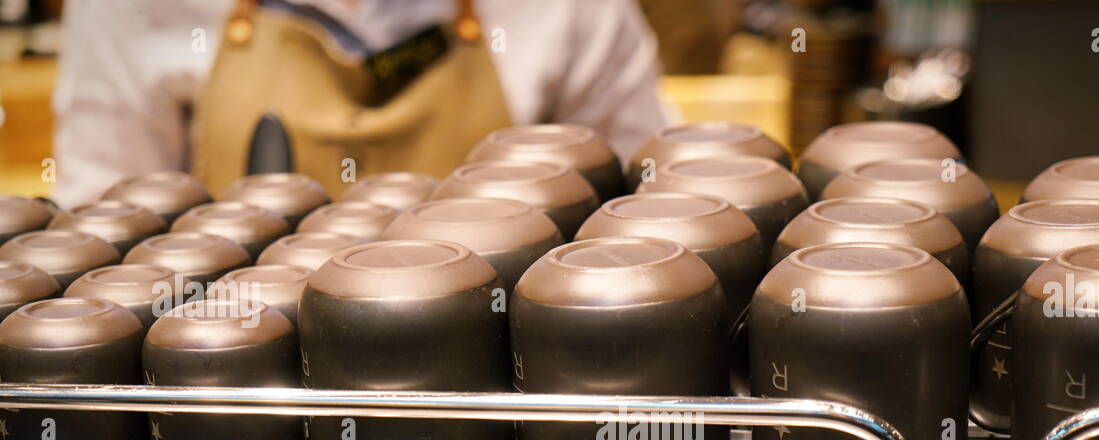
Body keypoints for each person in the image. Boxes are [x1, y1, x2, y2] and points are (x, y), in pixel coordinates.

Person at [51, 0, 673, 208]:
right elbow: (111, 227)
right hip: (233, 427)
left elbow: (637, 203)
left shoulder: (565, 12)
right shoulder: (129, 10)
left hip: (493, 430)